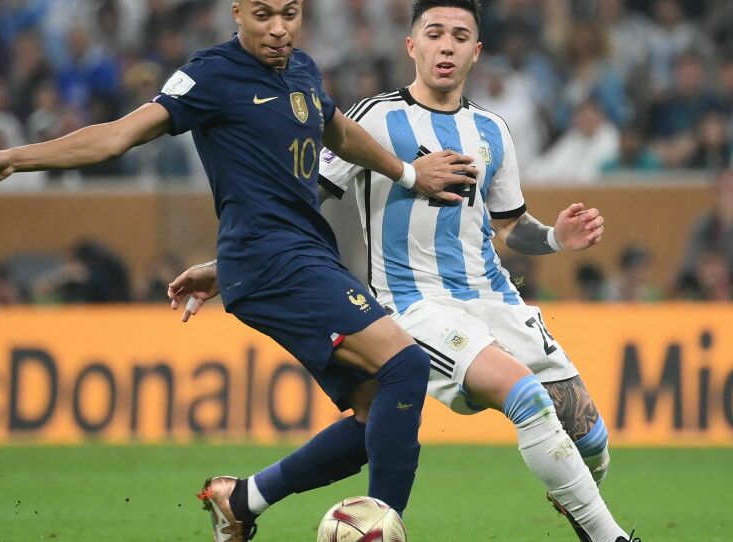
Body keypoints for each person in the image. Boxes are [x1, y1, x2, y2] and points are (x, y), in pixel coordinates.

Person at [0, 1, 477, 540]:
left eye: (289, 13)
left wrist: (407, 172)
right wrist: (15, 157)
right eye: (263, 14)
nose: (279, 29)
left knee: (378, 412)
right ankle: (383, 530)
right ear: (236, 12)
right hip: (273, 259)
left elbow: (336, 131)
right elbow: (117, 135)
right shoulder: (211, 73)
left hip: (294, 253)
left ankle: (241, 500)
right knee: (405, 367)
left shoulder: (303, 71)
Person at [170, 2, 640, 541]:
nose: (447, 45)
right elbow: (301, 198)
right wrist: (226, 264)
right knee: (525, 398)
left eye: (460, 36)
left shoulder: (492, 130)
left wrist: (555, 238)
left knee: (591, 443)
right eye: (434, 34)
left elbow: (509, 225)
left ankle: (245, 497)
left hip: (497, 301)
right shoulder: (373, 118)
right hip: (414, 306)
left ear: (475, 51)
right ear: (411, 46)